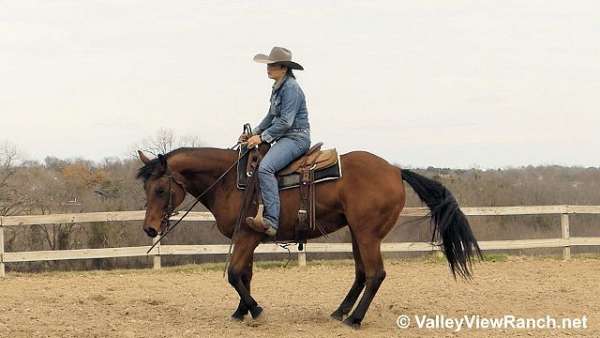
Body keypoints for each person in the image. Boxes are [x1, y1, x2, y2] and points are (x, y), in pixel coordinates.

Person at [239, 46, 311, 237]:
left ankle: (272, 221)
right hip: (284, 137)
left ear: (284, 68)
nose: (268, 68)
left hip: (296, 138)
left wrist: (262, 138)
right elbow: (271, 116)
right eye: (268, 64)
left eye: (272, 65)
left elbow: (286, 121)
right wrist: (253, 133)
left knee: (265, 168)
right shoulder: (278, 87)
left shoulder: (291, 88)